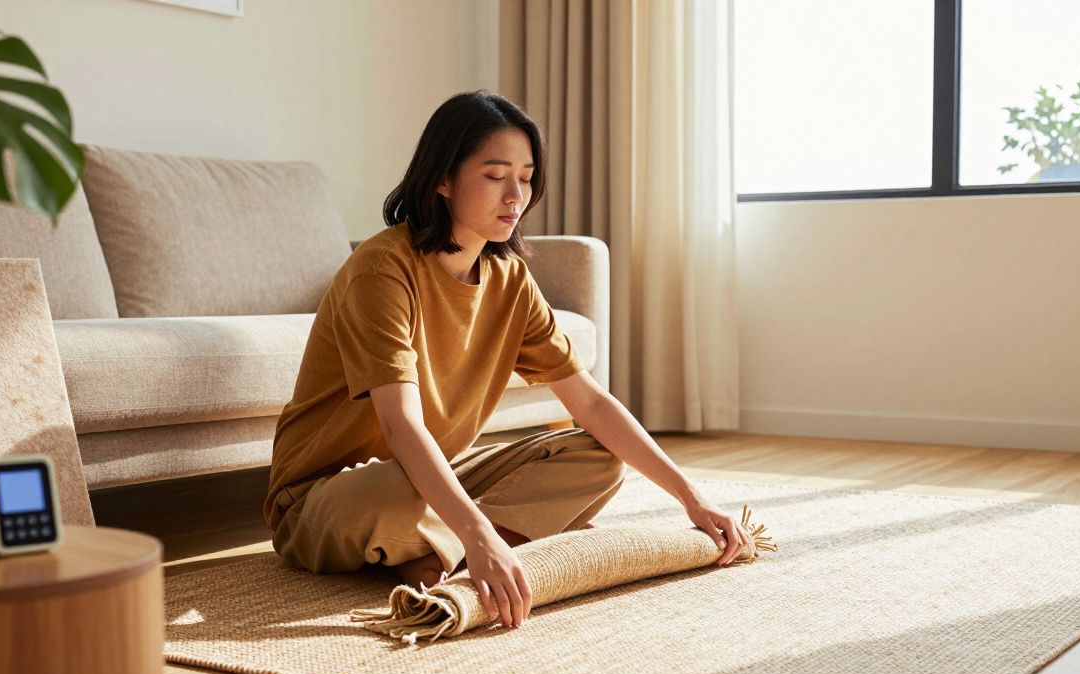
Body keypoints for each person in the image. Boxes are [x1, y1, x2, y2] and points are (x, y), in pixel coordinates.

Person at [264, 90, 748, 630]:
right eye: (495, 175)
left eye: (526, 175)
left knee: (600, 456)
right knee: (400, 491)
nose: (516, 194)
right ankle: (481, 546)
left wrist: (693, 499)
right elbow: (401, 426)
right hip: (324, 500)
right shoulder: (382, 270)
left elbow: (588, 401)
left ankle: (445, 558)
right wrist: (479, 530)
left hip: (432, 477)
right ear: (443, 179)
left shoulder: (509, 277)